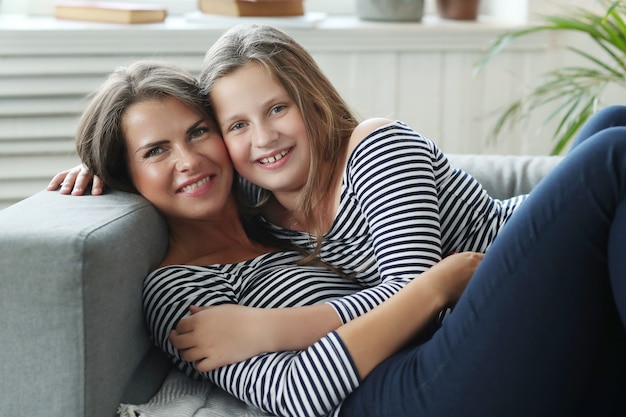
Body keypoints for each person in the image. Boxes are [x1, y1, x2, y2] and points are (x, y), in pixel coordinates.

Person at [50, 56, 626, 417]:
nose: (189, 159)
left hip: (447, 350)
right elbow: (298, 394)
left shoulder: (263, 209)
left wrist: (274, 325)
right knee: (610, 158)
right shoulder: (176, 289)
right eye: (156, 152)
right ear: (130, 174)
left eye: (200, 132)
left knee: (610, 125)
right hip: (401, 394)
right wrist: (437, 284)